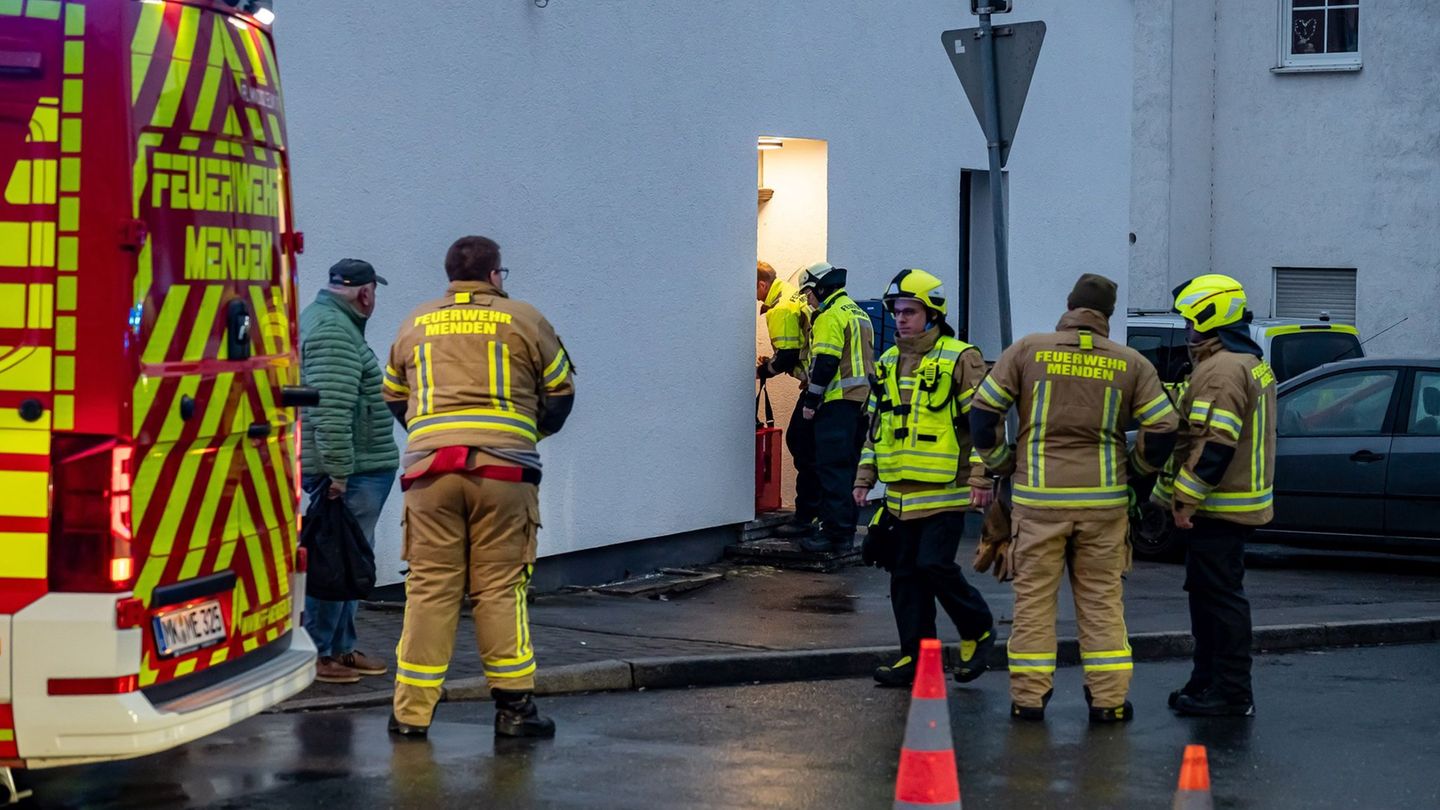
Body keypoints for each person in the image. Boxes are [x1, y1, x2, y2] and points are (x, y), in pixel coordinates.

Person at [382, 236, 576, 738]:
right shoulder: (524, 319)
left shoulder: (414, 322)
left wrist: (430, 438)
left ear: (450, 277)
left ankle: (409, 716)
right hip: (503, 473)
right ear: (495, 276)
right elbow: (560, 393)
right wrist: (526, 436)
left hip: (428, 474)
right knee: (498, 588)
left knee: (428, 590)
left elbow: (393, 397)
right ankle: (514, 711)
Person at [969, 274, 1178, 723]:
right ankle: (1108, 702)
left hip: (1037, 502)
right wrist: (1136, 472)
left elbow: (983, 412)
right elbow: (1164, 427)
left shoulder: (1027, 351)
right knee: (1102, 604)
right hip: (1104, 507)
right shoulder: (1130, 363)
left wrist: (1003, 462)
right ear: (1107, 316)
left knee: (1033, 605)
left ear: (1069, 307)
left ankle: (1028, 699)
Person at [853, 269, 995, 687]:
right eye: (897, 311)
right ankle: (915, 659)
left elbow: (982, 424)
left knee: (933, 565)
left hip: (947, 491)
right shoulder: (888, 362)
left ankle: (977, 627)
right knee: (905, 578)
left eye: (910, 311)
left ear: (933, 314)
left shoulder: (960, 357)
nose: (900, 319)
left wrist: (982, 478)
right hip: (899, 496)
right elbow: (876, 428)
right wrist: (865, 478)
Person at [1152, 274, 1275, 718]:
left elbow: (1214, 443)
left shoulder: (1222, 369)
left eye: (1190, 322)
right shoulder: (1243, 360)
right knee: (1208, 597)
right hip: (1232, 504)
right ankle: (1206, 681)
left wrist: (1184, 500)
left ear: (1210, 318)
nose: (1186, 331)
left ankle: (1231, 691)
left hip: (1219, 507)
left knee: (1219, 601)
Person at [298, 258, 400, 685]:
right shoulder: (334, 333)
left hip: (358, 469)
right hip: (350, 472)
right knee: (333, 564)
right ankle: (321, 653)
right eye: (374, 291)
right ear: (364, 293)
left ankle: (340, 648)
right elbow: (330, 411)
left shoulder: (332, 324)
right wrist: (338, 472)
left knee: (348, 560)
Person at [797, 262, 875, 554]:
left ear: (820, 288)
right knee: (849, 468)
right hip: (860, 403)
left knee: (831, 469)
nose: (808, 300)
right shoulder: (857, 312)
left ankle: (833, 534)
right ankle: (845, 528)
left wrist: (811, 401)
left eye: (808, 293)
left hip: (837, 402)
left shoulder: (829, 316)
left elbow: (825, 362)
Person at [755, 261, 817, 537]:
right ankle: (814, 511)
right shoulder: (792, 294)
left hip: (818, 387)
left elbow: (788, 356)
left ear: (762, 285)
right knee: (810, 447)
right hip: (821, 384)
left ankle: (806, 515)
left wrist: (762, 371)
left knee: (799, 442)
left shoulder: (779, 308)